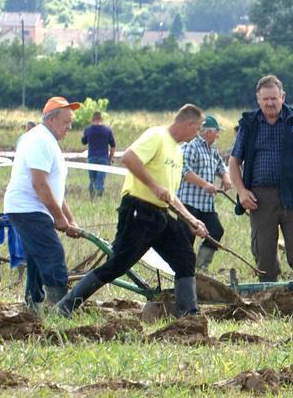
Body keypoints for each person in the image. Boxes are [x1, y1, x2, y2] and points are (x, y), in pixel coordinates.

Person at [57, 105, 209, 319]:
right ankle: (66, 306)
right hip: (138, 210)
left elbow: (170, 196)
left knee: (185, 256)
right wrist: (155, 187)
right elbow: (128, 158)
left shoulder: (177, 152)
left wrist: (191, 219)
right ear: (188, 124)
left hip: (161, 215)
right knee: (118, 264)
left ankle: (189, 314)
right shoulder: (157, 135)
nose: (198, 133)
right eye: (198, 128)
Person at [228, 75, 293, 284]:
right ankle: (270, 298)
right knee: (264, 253)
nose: (270, 103)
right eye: (265, 99)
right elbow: (234, 160)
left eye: (274, 98)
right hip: (260, 197)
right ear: (258, 99)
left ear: (283, 97)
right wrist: (242, 191)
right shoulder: (249, 123)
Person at [3, 97, 83, 315]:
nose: (70, 127)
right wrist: (58, 218)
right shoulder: (40, 140)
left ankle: (32, 308)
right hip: (28, 208)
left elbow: (54, 188)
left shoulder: (47, 140)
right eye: (66, 122)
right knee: (52, 256)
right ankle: (60, 309)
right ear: (52, 119)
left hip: (32, 208)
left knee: (38, 260)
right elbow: (39, 183)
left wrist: (69, 218)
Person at [178, 114, 231, 274]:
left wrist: (226, 176)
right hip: (189, 202)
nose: (218, 135)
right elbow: (184, 171)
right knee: (187, 238)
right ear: (208, 132)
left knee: (216, 231)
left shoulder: (212, 148)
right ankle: (183, 272)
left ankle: (200, 268)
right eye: (216, 131)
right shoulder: (191, 146)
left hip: (206, 204)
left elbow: (220, 165)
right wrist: (205, 184)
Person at [81, 111, 117, 199]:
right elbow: (113, 146)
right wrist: (110, 158)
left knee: (92, 180)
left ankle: (92, 199)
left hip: (92, 158)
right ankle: (99, 200)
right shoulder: (108, 130)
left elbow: (83, 142)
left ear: (92, 119)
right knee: (100, 181)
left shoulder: (88, 130)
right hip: (104, 158)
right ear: (101, 119)